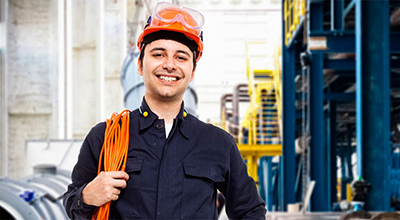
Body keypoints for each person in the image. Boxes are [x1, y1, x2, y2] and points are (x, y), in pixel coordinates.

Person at [63, 2, 266, 219]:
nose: (169, 65)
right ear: (140, 66)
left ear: (192, 71)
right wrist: (85, 197)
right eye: (158, 54)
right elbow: (72, 204)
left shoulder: (218, 143)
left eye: (181, 57)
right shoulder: (104, 137)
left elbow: (250, 211)